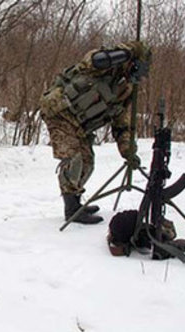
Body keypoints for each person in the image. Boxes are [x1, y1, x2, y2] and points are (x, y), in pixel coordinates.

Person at [38, 41, 152, 224]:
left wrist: (129, 152)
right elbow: (94, 60)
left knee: (87, 163)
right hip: (59, 111)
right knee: (74, 159)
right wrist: (127, 53)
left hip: (79, 124)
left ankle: (75, 201)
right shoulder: (104, 66)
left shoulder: (125, 90)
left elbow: (122, 126)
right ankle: (71, 210)